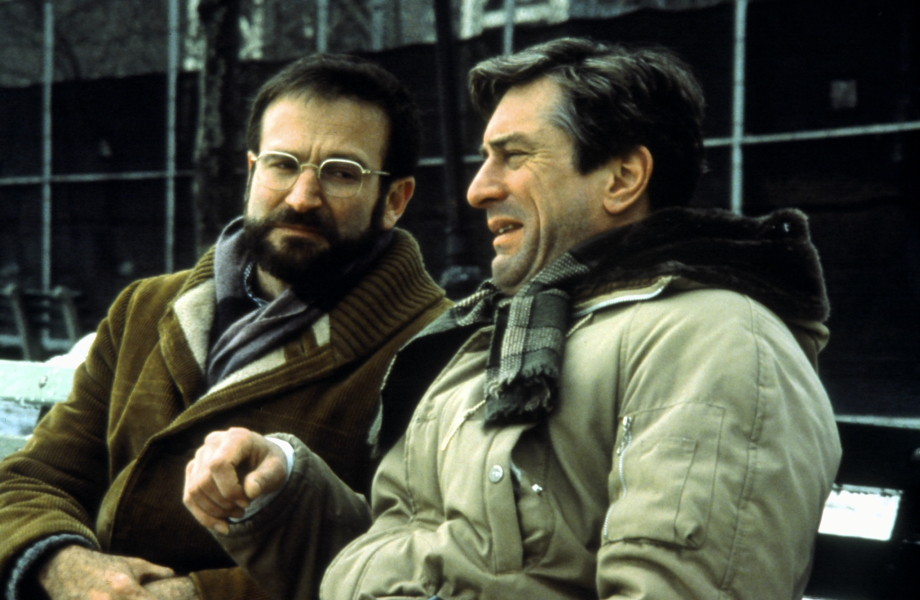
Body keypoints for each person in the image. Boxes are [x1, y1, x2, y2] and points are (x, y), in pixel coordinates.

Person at [184, 38, 841, 599]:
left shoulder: (714, 342)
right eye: (485, 157)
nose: (478, 188)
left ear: (622, 178)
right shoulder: (511, 330)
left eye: (514, 155)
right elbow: (414, 561)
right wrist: (283, 495)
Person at [0, 53, 451, 600]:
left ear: (395, 200)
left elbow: (415, 556)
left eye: (341, 173)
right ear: (252, 170)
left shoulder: (435, 349)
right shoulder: (145, 309)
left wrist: (192, 594)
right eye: (283, 163)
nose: (302, 197)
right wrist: (67, 566)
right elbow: (31, 478)